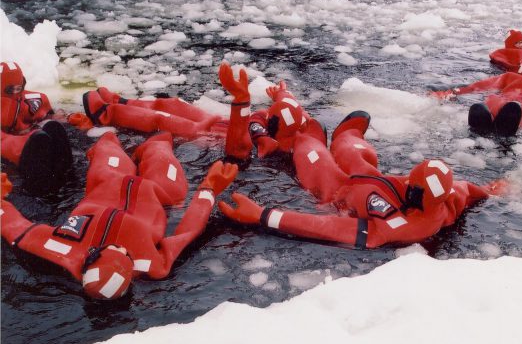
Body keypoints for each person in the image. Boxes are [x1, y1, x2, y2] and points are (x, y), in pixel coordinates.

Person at [1, 132, 238, 300]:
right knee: (160, 146)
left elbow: (15, 228)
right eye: (124, 253)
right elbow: (188, 231)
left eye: (110, 250)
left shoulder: (63, 249)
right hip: (159, 192)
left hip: (108, 182)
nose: (120, 247)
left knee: (107, 146)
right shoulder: (153, 265)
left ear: (91, 258)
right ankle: (150, 147)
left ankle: (107, 140)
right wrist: (208, 190)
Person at [218, 111, 505, 249]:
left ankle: (310, 138)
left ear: (419, 196)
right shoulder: (444, 195)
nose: (409, 187)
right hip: (370, 178)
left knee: (311, 153)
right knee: (350, 149)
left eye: (412, 188)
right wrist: (491, 192)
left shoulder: (403, 227)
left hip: (338, 192)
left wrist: (263, 215)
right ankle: (348, 134)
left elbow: (333, 226)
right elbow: (467, 189)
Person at [70, 63, 313, 160]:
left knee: (163, 119)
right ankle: (122, 100)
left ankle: (106, 113)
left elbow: (237, 147)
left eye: (272, 117)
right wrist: (281, 93)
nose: (268, 115)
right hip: (226, 122)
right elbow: (290, 105)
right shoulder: (298, 122)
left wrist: (241, 102)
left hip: (216, 136)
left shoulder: (267, 146)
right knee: (175, 104)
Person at [1, 61, 73, 194]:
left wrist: (65, 118)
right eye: (11, 89)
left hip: (34, 139)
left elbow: (51, 117)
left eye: (19, 87)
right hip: (16, 147)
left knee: (52, 128)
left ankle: (66, 173)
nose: (16, 92)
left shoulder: (34, 100)